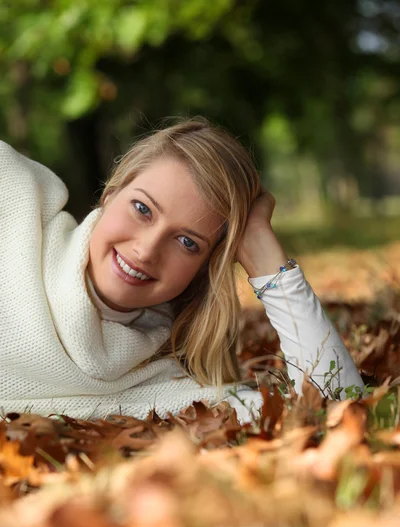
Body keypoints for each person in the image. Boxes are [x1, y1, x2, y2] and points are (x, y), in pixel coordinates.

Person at [0, 118, 363, 422]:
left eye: (188, 242)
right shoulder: (16, 202)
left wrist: (266, 256)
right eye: (142, 209)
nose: (146, 250)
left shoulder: (164, 379)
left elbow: (338, 406)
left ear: (206, 266)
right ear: (111, 194)